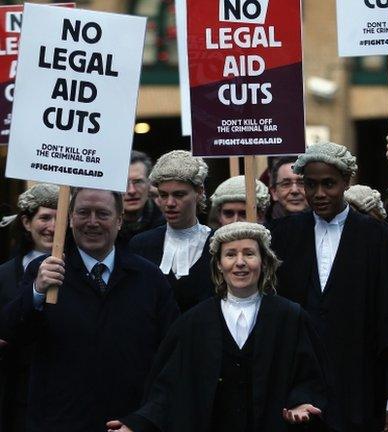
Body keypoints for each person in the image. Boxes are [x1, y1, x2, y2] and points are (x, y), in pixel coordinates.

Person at [106, 222, 330, 432]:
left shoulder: (290, 317)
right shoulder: (194, 322)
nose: (240, 262)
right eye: (231, 254)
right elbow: (169, 387)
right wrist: (138, 424)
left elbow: (310, 377)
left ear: (264, 261)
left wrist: (302, 403)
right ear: (219, 265)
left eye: (249, 254)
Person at [1, 188, 179, 431]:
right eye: (83, 212)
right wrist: (36, 292)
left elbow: (172, 359)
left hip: (126, 422)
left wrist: (143, 420)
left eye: (102, 214)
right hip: (59, 422)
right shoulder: (43, 272)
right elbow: (11, 333)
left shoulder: (149, 278)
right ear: (71, 218)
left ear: (119, 220)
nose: (92, 222)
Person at [269, 142, 388, 432]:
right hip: (298, 395)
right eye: (311, 185)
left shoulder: (377, 236)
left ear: (347, 182)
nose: (319, 194)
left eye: (329, 184)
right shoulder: (283, 235)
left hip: (361, 389)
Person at [0, 183, 58, 432]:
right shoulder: (4, 274)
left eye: (59, 217)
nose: (53, 227)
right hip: (15, 392)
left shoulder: (81, 269)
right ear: (26, 222)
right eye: (45, 217)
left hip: (61, 392)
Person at [130, 150, 214, 312]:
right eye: (163, 195)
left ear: (199, 192)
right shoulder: (141, 244)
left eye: (179, 195)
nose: (169, 203)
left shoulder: (218, 244)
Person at [118, 150, 165, 245]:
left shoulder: (168, 226)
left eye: (138, 182)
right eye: (123, 184)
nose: (132, 191)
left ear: (150, 184)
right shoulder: (101, 228)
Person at [267, 156, 309, 222]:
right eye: (286, 184)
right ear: (274, 192)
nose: (294, 190)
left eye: (301, 183)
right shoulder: (262, 229)